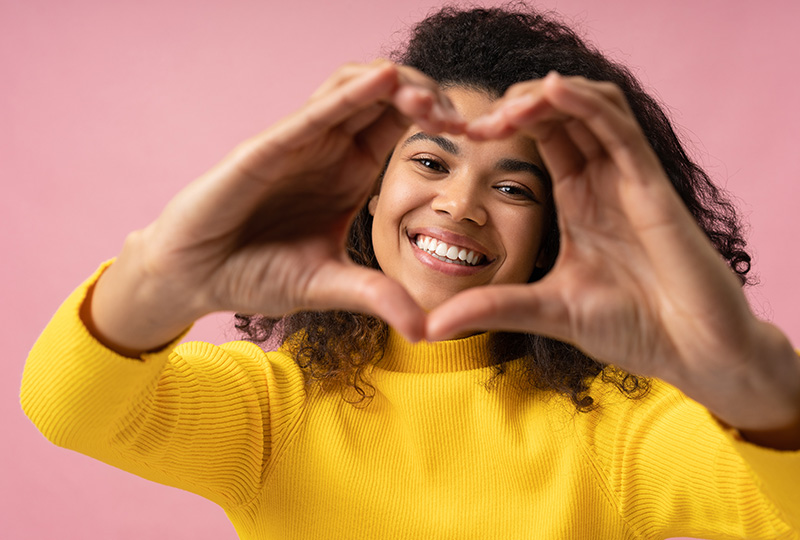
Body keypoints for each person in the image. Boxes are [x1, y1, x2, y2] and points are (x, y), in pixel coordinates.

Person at [21, 5, 800, 539]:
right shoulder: (270, 412)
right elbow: (69, 408)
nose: (459, 206)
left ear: (556, 231)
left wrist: (743, 370)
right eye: (430, 160)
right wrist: (162, 275)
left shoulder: (622, 432)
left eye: (512, 187)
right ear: (370, 190)